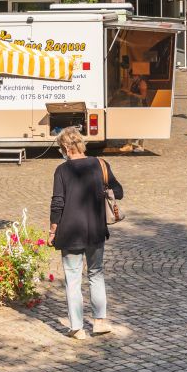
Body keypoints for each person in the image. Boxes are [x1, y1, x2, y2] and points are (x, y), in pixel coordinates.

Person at [49, 126, 122, 339]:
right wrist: (101, 191)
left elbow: (57, 203)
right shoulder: (100, 164)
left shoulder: (62, 170)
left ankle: (77, 327)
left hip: (69, 231)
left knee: (73, 278)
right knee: (96, 274)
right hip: (96, 229)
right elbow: (118, 191)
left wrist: (53, 229)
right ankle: (100, 322)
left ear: (65, 147)